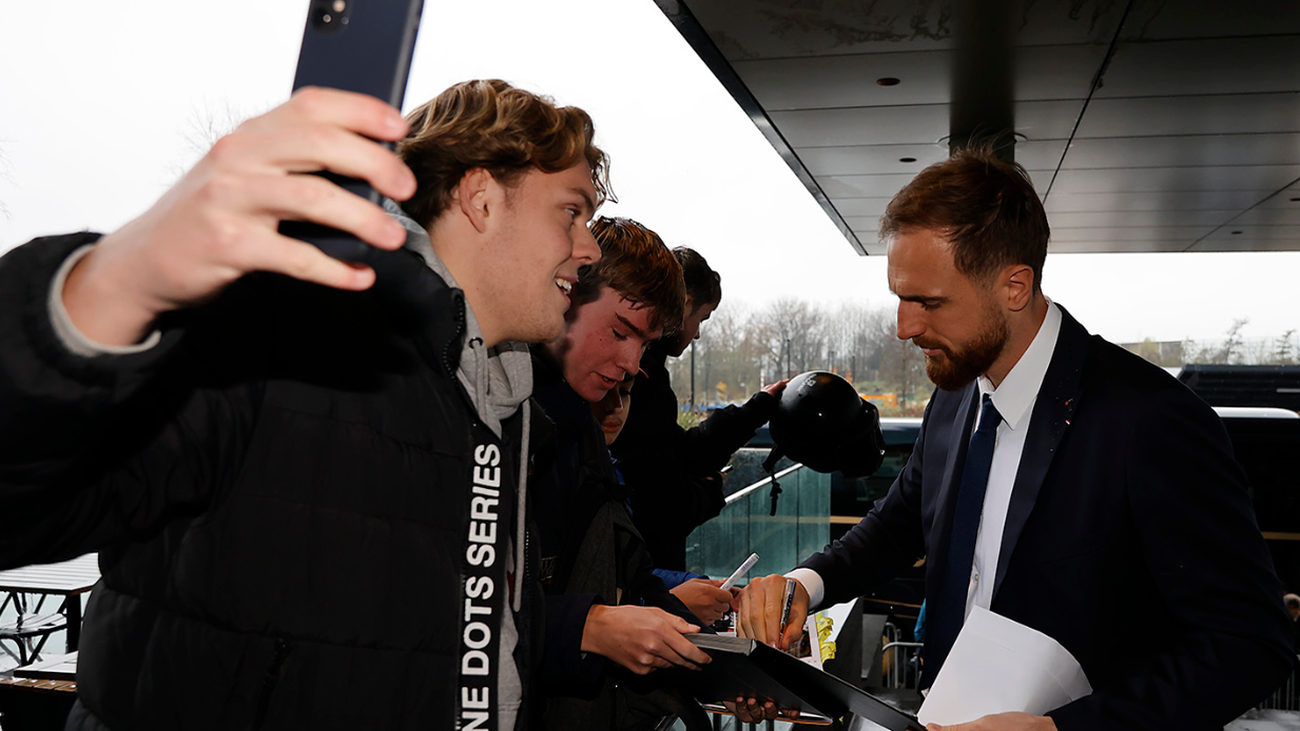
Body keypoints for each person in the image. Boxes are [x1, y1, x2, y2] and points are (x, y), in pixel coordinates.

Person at [0, 79, 607, 731]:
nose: (590, 249)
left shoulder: (505, 411)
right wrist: (112, 285)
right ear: (481, 197)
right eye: (571, 212)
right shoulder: (283, 332)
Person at [735, 149, 1294, 730]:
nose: (904, 327)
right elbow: (899, 523)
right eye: (900, 297)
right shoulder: (955, 394)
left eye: (928, 301)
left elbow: (1250, 645)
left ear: (1015, 287)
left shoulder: (1151, 419)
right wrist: (804, 584)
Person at [530, 216, 726, 730]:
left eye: (644, 344)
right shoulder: (507, 426)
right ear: (564, 290)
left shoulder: (582, 436)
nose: (631, 363)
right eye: (619, 331)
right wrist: (588, 628)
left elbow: (619, 569)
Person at [612, 247, 784, 571]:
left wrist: (755, 409)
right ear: (685, 302)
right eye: (701, 319)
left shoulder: (648, 376)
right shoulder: (643, 376)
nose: (699, 334)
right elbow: (661, 504)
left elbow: (677, 452)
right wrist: (708, 490)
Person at [592, 373, 736, 621]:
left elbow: (631, 573)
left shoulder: (610, 472)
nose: (617, 405)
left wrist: (696, 584)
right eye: (604, 388)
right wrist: (669, 600)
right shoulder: (566, 474)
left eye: (626, 392)